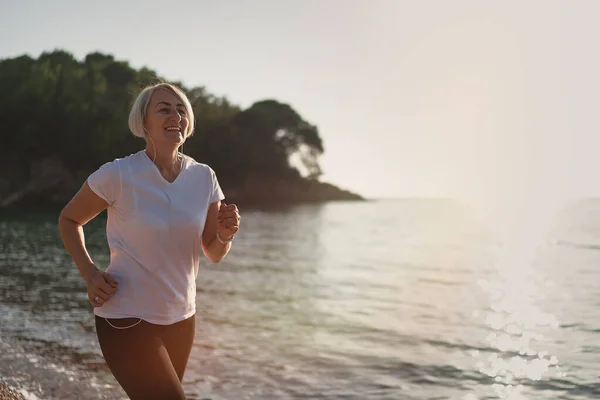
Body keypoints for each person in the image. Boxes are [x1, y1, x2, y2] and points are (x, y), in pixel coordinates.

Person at [58, 82, 241, 399]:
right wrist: (89, 273)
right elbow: (69, 219)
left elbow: (213, 251)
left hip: (182, 317)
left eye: (181, 109)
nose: (176, 115)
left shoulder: (204, 177)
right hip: (126, 316)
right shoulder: (119, 174)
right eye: (164, 108)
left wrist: (225, 235)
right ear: (144, 122)